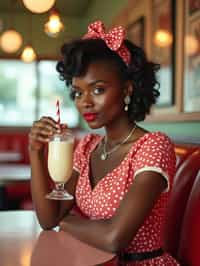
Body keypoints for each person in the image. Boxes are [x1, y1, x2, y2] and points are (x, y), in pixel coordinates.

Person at [29, 20, 180, 265]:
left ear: (127, 90)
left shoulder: (153, 146)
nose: (84, 102)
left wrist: (62, 222)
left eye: (97, 89)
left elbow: (113, 238)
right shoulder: (88, 146)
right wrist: (35, 151)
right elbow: (48, 218)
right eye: (77, 93)